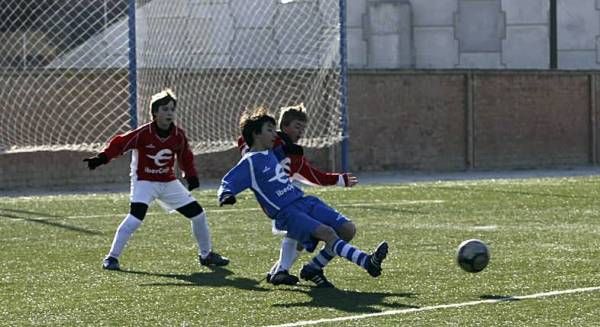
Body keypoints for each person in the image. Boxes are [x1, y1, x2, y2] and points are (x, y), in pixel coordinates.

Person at [218, 107, 387, 287]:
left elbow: (307, 170)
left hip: (303, 201)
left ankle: (311, 268)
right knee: (326, 233)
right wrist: (226, 194)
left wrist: (338, 179)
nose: (274, 134)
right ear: (256, 134)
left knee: (347, 229)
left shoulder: (279, 151)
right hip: (286, 211)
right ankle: (367, 262)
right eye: (269, 130)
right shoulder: (250, 160)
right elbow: (229, 180)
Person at [84, 89, 229, 271]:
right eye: (165, 109)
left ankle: (206, 255)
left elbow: (185, 156)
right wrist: (102, 158)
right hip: (144, 182)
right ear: (155, 113)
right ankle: (112, 257)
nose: (169, 113)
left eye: (171, 109)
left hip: (168, 182)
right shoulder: (143, 133)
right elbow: (120, 144)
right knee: (135, 218)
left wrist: (190, 175)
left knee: (198, 215)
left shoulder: (178, 135)